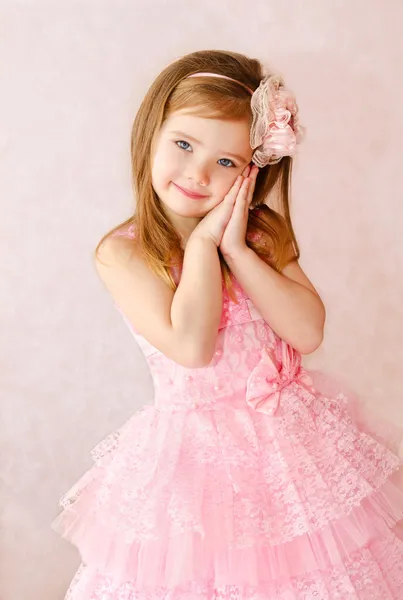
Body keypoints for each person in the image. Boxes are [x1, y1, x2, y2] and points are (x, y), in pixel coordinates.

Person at [52, 49, 403, 599]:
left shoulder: (261, 233)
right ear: (152, 133)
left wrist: (237, 248)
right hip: (197, 466)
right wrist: (201, 245)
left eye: (226, 162)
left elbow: (307, 332)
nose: (197, 173)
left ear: (253, 170)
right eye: (185, 145)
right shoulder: (125, 254)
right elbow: (191, 348)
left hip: (293, 455)